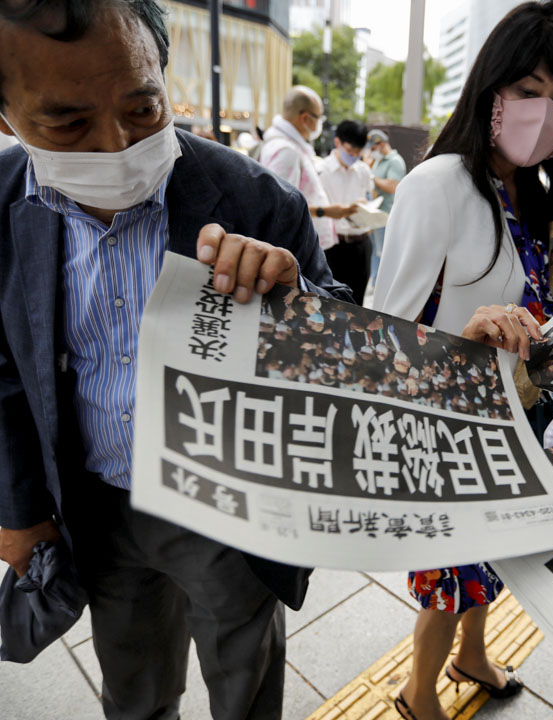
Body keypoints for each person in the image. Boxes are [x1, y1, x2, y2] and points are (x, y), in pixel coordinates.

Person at [0, 1, 351, 718]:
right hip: (94, 502)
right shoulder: (4, 210)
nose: (115, 145)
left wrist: (294, 302)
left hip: (225, 504)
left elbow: (342, 341)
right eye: (67, 124)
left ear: (164, 74)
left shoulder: (256, 200)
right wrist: (20, 509)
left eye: (143, 107)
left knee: (245, 675)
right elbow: (5, 367)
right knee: (132, 681)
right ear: (6, 118)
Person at [372, 3, 553, 718]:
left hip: (514, 417)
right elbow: (384, 330)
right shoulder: (437, 183)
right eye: (529, 90)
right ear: (491, 90)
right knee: (452, 571)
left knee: (495, 552)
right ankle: (418, 692)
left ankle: (474, 655)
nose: (545, 113)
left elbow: (538, 318)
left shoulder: (533, 193)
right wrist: (469, 336)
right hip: (450, 424)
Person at [259, 85, 359, 251]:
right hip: (298, 249)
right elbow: (282, 208)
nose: (320, 123)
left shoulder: (289, 147)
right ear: (305, 118)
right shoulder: (287, 151)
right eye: (318, 117)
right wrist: (325, 211)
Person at [318, 119, 375, 302]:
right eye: (350, 151)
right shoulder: (322, 170)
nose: (354, 156)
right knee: (331, 302)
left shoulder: (363, 170)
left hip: (361, 243)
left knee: (358, 303)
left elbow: (369, 195)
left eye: (358, 152)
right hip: (334, 246)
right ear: (338, 143)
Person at [367, 128, 406, 285]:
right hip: (375, 216)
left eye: (373, 149)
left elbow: (392, 186)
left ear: (382, 145)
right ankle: (375, 284)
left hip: (387, 216)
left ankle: (382, 285)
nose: (372, 152)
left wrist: (372, 178)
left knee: (383, 254)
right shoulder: (379, 161)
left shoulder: (395, 161)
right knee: (375, 253)